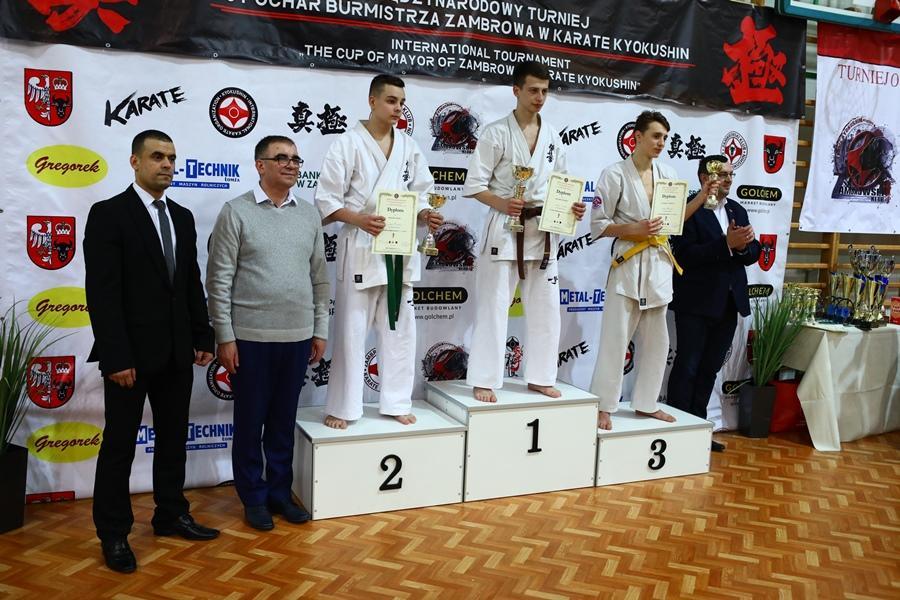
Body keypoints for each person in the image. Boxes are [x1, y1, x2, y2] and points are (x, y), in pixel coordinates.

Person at [84, 129, 218, 574]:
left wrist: (202, 336)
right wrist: (116, 356)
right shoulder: (109, 214)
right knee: (119, 445)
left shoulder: (181, 216)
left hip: (177, 351)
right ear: (135, 162)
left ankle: (171, 514)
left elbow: (189, 282)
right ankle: (113, 532)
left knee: (174, 437)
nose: (167, 165)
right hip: (130, 356)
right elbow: (102, 293)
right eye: (157, 156)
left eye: (172, 158)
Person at [206, 135, 329, 530]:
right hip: (250, 340)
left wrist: (320, 329)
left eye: (295, 159)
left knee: (282, 423)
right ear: (260, 165)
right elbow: (218, 280)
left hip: (297, 338)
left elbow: (319, 278)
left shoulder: (308, 214)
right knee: (249, 424)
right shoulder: (236, 212)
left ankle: (279, 494)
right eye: (281, 158)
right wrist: (225, 336)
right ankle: (253, 498)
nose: (291, 164)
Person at [315, 74, 441, 429]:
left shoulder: (409, 146)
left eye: (401, 102)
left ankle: (396, 401)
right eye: (391, 100)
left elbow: (423, 193)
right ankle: (343, 407)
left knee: (401, 331)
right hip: (361, 247)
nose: (397, 108)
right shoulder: (347, 143)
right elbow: (326, 199)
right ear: (372, 101)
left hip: (399, 248)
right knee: (351, 333)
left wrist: (425, 214)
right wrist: (358, 219)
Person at [463, 61, 585, 403]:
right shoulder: (496, 133)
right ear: (516, 91)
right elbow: (474, 185)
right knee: (494, 307)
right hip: (504, 230)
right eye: (533, 90)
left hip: (543, 232)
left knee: (547, 309)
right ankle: (485, 378)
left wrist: (571, 207)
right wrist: (503, 203)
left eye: (545, 91)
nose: (539, 97)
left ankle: (541, 376)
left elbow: (563, 184)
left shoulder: (553, 136)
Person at [589, 111, 707, 430]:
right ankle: (604, 406)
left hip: (658, 264)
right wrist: (633, 229)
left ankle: (646, 403)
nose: (661, 143)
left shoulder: (668, 173)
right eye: (656, 136)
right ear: (637, 137)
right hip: (627, 263)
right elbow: (598, 225)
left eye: (665, 138)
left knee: (658, 342)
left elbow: (674, 221)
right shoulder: (614, 175)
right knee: (616, 339)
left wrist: (702, 196)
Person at [667, 155, 760, 451]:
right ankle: (679, 432)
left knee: (709, 370)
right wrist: (726, 245)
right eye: (722, 174)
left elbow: (753, 252)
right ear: (704, 178)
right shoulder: (689, 209)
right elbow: (683, 255)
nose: (728, 179)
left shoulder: (736, 209)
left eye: (731, 174)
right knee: (688, 367)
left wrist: (743, 248)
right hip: (695, 303)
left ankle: (699, 431)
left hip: (728, 303)